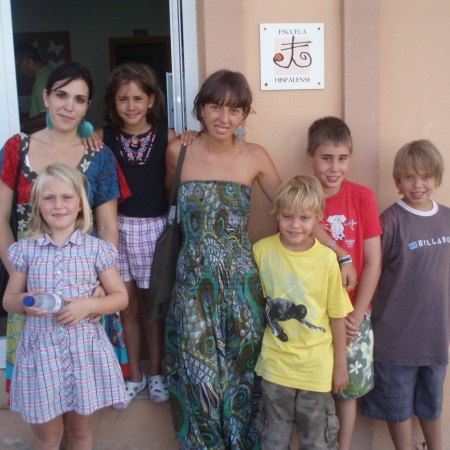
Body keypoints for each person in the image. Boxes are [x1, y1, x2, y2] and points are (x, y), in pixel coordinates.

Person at [165, 69, 282, 449]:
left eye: (234, 110)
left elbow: (294, 209)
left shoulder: (255, 156)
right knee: (196, 378)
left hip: (242, 286)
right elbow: (167, 201)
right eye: (216, 107)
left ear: (244, 114)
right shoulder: (178, 151)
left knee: (243, 375)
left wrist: (339, 253)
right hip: (191, 285)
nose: (224, 118)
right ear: (200, 108)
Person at [0, 62, 130, 395]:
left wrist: (103, 285)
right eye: (61, 95)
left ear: (87, 107)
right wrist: (21, 277)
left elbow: (107, 226)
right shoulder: (17, 148)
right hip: (31, 284)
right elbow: (0, 218)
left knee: (84, 387)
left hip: (83, 288)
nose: (68, 106)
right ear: (46, 97)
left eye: (79, 99)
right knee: (40, 387)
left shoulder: (99, 156)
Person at [3, 163, 128, 450]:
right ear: (38, 205)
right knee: (48, 436)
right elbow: (8, 300)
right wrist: (24, 302)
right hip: (41, 355)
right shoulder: (25, 250)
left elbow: (120, 297)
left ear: (81, 204)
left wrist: (89, 305)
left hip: (83, 353)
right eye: (49, 198)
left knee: (80, 431)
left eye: (67, 197)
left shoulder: (97, 249)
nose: (58, 205)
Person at [96, 63, 197, 407]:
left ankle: (156, 373)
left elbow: (188, 156)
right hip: (114, 230)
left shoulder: (167, 137)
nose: (131, 106)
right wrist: (87, 133)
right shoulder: (103, 137)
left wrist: (191, 137)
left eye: (138, 98)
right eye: (123, 98)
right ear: (113, 102)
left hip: (154, 230)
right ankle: (134, 376)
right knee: (125, 307)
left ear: (152, 99)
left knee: (153, 308)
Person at [253, 174, 353, 449]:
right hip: (275, 366)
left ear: (317, 217)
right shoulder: (261, 252)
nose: (295, 225)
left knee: (316, 441)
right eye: (287, 216)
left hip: (316, 370)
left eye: (304, 218)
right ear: (277, 213)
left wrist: (340, 366)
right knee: (273, 440)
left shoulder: (327, 260)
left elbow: (337, 316)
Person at [362, 140, 449, 450]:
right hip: (395, 339)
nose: (418, 185)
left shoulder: (447, 218)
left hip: (435, 336)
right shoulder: (389, 221)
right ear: (398, 180)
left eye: (425, 176)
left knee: (431, 404)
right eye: (409, 177)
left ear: (437, 178)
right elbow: (371, 270)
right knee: (396, 408)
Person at [306, 116, 382, 450]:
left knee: (347, 390)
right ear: (310, 157)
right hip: (314, 313)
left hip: (354, 313)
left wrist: (358, 314)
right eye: (326, 158)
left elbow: (374, 261)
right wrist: (340, 253)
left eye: (342, 158)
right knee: (314, 389)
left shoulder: (363, 197)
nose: (334, 167)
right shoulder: (303, 195)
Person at [14, 43, 52, 133]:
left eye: (18, 66)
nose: (19, 72)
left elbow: (48, 116)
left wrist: (21, 125)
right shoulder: (46, 73)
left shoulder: (43, 79)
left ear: (27, 60)